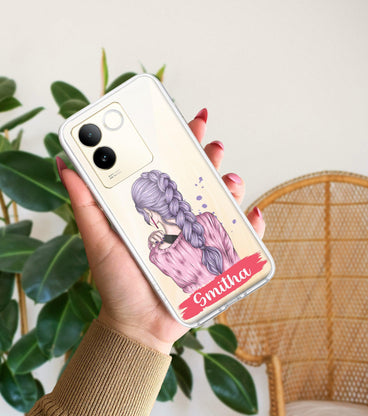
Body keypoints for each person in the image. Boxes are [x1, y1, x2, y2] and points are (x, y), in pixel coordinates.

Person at [28, 108, 265, 416]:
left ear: (149, 215)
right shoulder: (207, 221)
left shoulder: (159, 255)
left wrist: (137, 331)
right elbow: (225, 267)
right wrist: (137, 330)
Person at [132, 169, 240, 293]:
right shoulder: (208, 220)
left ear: (148, 212)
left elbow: (193, 293)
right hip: (242, 280)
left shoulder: (159, 257)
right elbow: (236, 261)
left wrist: (155, 245)